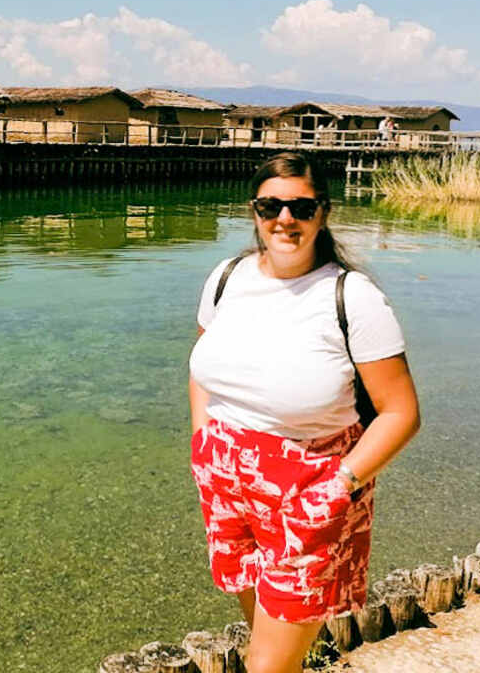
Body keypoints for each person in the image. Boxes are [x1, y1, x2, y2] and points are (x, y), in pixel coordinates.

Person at [188, 152, 421, 673]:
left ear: (324, 212)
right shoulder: (227, 277)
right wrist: (202, 442)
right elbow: (202, 366)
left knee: (267, 666)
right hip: (226, 483)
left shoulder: (352, 297)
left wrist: (337, 488)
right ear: (254, 211)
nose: (284, 219)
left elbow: (400, 412)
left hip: (310, 493)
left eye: (300, 207)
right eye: (270, 205)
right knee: (268, 643)